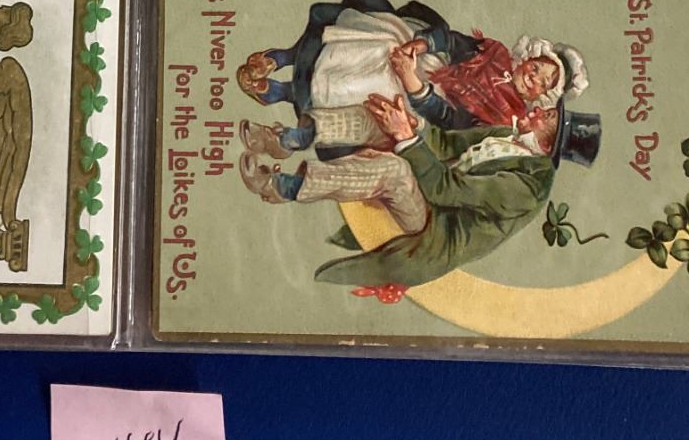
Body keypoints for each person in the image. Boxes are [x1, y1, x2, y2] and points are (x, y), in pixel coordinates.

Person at [239, 91, 603, 294]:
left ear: (550, 142)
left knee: (395, 170)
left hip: (434, 226)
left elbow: (447, 189)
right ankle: (288, 139)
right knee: (379, 116)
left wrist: (406, 138)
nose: (540, 110)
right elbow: (445, 143)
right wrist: (413, 126)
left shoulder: (529, 187)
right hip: (432, 187)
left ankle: (282, 187)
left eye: (549, 117)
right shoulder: (509, 135)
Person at [237, 0, 586, 161]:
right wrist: (422, 45)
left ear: (541, 97)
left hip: (427, 105)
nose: (534, 77)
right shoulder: (494, 53)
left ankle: (284, 92)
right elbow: (452, 42)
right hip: (431, 65)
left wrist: (413, 84)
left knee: (382, 87)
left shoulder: (504, 118)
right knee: (388, 40)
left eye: (543, 83)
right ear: (528, 58)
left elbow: (452, 121)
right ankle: (284, 57)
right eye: (537, 68)